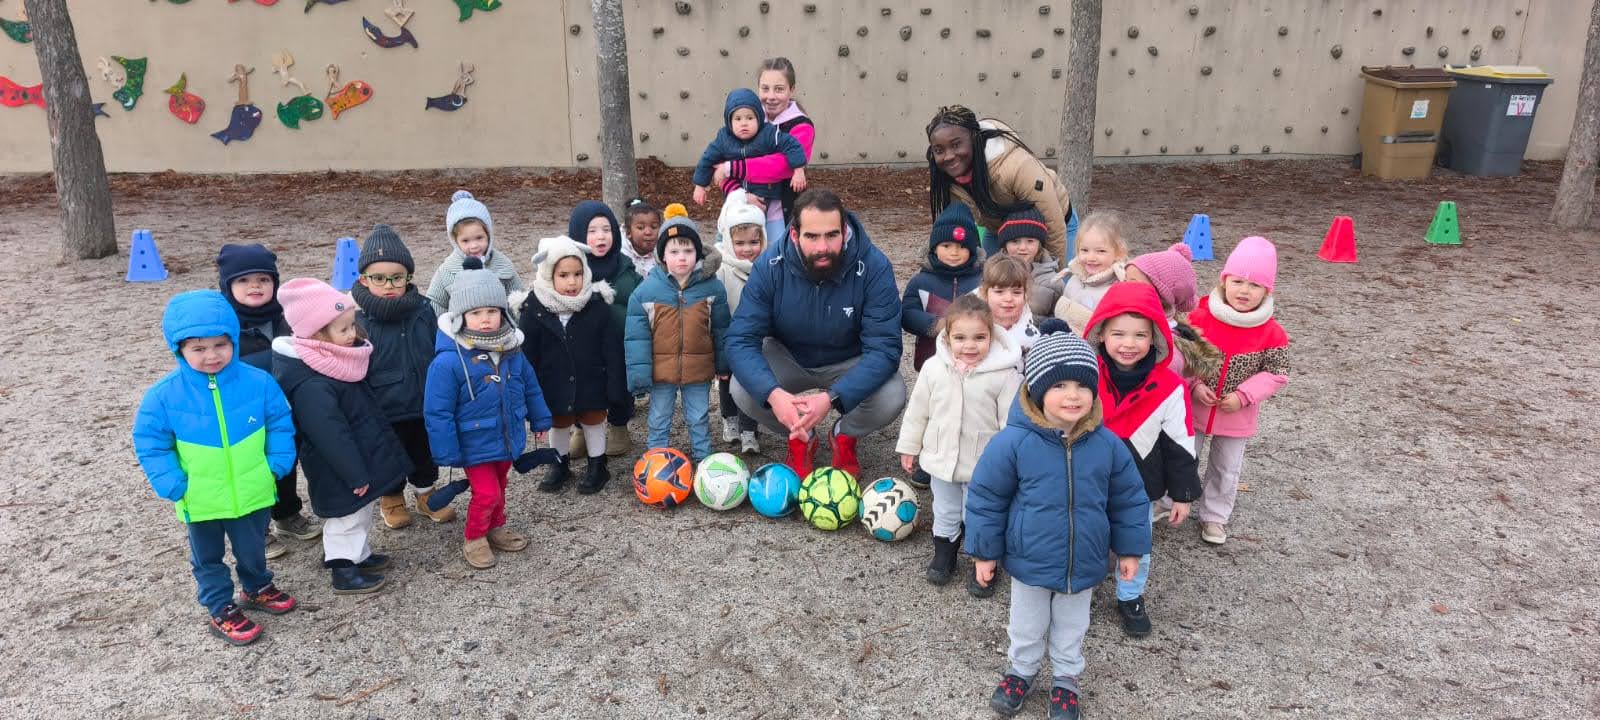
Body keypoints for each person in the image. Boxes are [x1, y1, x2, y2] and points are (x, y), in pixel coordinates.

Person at [964, 322, 1149, 720]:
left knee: (1072, 626)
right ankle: (1021, 670)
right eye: (1060, 385)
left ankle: (1066, 679)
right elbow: (986, 498)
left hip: (1083, 559)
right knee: (1026, 624)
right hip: (1030, 558)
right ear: (1037, 390)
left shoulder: (1107, 444)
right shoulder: (1013, 442)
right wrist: (984, 552)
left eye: (1082, 386)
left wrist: (1131, 549)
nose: (1073, 395)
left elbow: (1129, 499)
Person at [133, 290, 299, 646]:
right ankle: (219, 606)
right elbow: (150, 441)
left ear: (234, 341)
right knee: (207, 557)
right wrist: (172, 482)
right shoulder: (164, 396)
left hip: (253, 488)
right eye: (198, 348)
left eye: (220, 345)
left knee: (253, 545)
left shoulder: (259, 382)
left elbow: (280, 422)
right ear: (179, 349)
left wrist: (277, 463)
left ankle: (256, 586)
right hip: (200, 496)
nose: (211, 356)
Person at [727, 189, 904, 480]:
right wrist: (774, 395)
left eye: (832, 235)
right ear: (795, 234)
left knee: (892, 394)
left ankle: (843, 435)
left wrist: (832, 398)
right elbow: (740, 339)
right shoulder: (769, 266)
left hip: (849, 359)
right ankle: (801, 434)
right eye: (812, 237)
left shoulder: (873, 266)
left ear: (844, 230)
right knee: (743, 389)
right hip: (789, 355)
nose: (823, 246)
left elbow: (885, 349)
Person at [272, 278, 412, 594]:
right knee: (345, 518)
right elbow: (329, 434)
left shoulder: (335, 362)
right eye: (344, 329)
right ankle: (342, 569)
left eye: (352, 325)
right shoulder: (311, 383)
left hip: (358, 459)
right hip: (341, 468)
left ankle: (357, 556)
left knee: (359, 513)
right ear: (316, 334)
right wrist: (353, 474)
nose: (353, 335)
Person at [1082, 282, 1201, 639]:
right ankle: (1082, 585)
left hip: (1141, 486)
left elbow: (1181, 443)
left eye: (1140, 335)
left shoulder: (1170, 387)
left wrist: (1181, 493)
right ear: (1101, 333)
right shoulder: (1084, 376)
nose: (1128, 343)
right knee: (1089, 535)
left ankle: (1130, 595)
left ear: (1156, 339)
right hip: (1089, 480)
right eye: (1118, 333)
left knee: (1137, 541)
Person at [425, 263, 553, 569]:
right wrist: (447, 451)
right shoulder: (447, 362)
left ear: (503, 313)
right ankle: (475, 536)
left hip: (507, 435)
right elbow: (437, 411)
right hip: (472, 443)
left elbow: (531, 387)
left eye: (492, 311)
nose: (485, 319)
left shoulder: (512, 350)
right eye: (476, 313)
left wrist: (540, 420)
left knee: (501, 485)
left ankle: (496, 526)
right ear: (460, 317)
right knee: (486, 492)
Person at [895, 295, 1021, 595]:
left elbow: (1011, 425)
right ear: (947, 337)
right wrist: (910, 446)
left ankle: (985, 560)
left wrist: (1011, 464)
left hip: (984, 465)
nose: (969, 345)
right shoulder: (933, 368)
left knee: (981, 515)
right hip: (941, 458)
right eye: (960, 337)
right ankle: (945, 552)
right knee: (946, 509)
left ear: (991, 337)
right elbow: (918, 410)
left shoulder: (1005, 375)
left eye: (979, 337)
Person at [214, 243, 318, 558]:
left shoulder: (288, 318)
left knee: (286, 462)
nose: (255, 286)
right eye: (244, 281)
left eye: (263, 279)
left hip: (289, 408)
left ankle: (286, 515)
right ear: (227, 286)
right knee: (254, 470)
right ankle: (255, 529)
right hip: (246, 414)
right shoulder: (223, 325)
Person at [352, 224, 457, 528]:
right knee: (389, 456)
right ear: (364, 279)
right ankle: (392, 497)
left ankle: (427, 494)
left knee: (424, 452)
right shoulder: (358, 320)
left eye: (397, 277)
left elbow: (438, 347)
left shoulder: (423, 310)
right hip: (383, 408)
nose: (389, 285)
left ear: (408, 277)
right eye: (379, 278)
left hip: (423, 400)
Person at [1186, 237, 1290, 546]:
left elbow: (1277, 373)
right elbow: (1183, 355)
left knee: (1226, 467)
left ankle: (1215, 516)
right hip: (1195, 407)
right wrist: (1195, 384)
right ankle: (1169, 501)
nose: (1244, 291)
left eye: (1255, 285)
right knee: (1183, 456)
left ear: (1267, 291)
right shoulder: (1199, 316)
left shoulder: (1272, 332)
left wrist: (1243, 395)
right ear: (1224, 280)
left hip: (1237, 415)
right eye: (1238, 281)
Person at [517, 237, 627, 494]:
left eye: (578, 274)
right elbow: (527, 353)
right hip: (553, 379)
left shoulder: (596, 305)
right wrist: (527, 390)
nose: (572, 281)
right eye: (563, 275)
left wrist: (615, 385)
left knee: (593, 420)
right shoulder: (534, 307)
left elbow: (611, 349)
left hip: (591, 377)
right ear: (548, 275)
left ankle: (598, 463)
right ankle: (559, 462)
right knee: (560, 421)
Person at [625, 215, 731, 463]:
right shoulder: (646, 292)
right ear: (662, 255)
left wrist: (723, 364)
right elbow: (636, 339)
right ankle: (655, 460)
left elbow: (722, 329)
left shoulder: (712, 288)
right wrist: (640, 376)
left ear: (698, 253)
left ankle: (703, 461)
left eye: (688, 250)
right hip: (662, 372)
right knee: (659, 418)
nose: (681, 257)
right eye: (673, 251)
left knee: (699, 417)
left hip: (699, 370)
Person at [926, 104, 1077, 262]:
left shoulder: (1017, 168)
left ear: (974, 138)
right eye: (939, 150)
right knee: (989, 278)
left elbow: (1054, 226)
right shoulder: (946, 176)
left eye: (956, 144)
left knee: (1047, 281)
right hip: (1000, 228)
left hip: (1051, 228)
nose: (948, 156)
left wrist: (1054, 279)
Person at [712, 57, 816, 241]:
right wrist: (740, 194)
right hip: (740, 206)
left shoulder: (802, 127)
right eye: (765, 88)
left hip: (781, 212)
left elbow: (781, 166)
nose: (771, 96)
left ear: (792, 90)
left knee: (777, 259)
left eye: (779, 89)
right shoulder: (745, 118)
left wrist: (732, 167)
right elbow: (718, 165)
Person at [569, 200, 640, 458]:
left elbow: (638, 298)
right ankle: (580, 428)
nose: (601, 236)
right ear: (578, 234)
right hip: (585, 345)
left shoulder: (625, 266)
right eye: (592, 230)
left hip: (619, 344)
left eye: (606, 229)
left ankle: (619, 427)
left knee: (619, 385)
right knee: (583, 386)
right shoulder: (572, 267)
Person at [714, 190, 768, 453]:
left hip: (756, 342)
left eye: (754, 242)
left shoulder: (768, 268)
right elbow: (717, 312)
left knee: (751, 384)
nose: (748, 249)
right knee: (726, 383)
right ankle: (730, 420)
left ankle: (750, 431)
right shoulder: (723, 269)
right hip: (728, 338)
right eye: (740, 243)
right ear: (728, 241)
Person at [902, 202, 984, 373]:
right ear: (934, 248)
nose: (954, 253)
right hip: (931, 358)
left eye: (962, 247)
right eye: (946, 246)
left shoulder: (982, 281)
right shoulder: (921, 282)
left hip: (974, 357)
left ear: (973, 250)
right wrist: (936, 325)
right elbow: (907, 314)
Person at [691, 88, 807, 208]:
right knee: (737, 222)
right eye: (738, 119)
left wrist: (798, 170)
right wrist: (700, 186)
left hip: (766, 194)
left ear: (759, 118)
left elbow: (791, 144)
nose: (744, 123)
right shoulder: (724, 139)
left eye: (750, 118)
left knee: (769, 223)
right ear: (729, 121)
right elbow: (707, 159)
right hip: (737, 195)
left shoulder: (768, 133)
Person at [1124, 241, 1220, 382]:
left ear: (1161, 295)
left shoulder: (1168, 351)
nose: (1123, 287)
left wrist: (1194, 386)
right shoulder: (1133, 317)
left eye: (1133, 283)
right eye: (1125, 280)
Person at [427, 190, 524, 317]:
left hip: (499, 331)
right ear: (455, 241)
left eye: (479, 238)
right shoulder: (447, 270)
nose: (474, 246)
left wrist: (518, 329)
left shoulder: (503, 265)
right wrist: (444, 330)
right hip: (461, 333)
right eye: (465, 241)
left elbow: (518, 300)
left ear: (488, 235)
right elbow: (436, 302)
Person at [1055, 210, 1131, 334]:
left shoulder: (1120, 287)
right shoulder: (1073, 279)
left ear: (1119, 253)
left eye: (1100, 251)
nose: (1091, 258)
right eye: (1084, 250)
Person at [997, 207, 1066, 318]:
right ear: (1005, 244)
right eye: (1015, 241)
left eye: (1030, 241)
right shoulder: (992, 274)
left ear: (1039, 244)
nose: (1022, 247)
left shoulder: (1054, 282)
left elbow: (1060, 319)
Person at [976, 255, 1041, 359]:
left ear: (1025, 296)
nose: (1008, 298)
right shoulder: (971, 329)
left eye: (1016, 292)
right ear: (984, 294)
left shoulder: (1033, 337)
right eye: (999, 292)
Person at [621, 197, 663, 278]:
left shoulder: (663, 252)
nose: (648, 232)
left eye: (654, 227)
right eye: (640, 228)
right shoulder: (621, 255)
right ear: (628, 232)